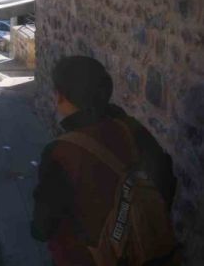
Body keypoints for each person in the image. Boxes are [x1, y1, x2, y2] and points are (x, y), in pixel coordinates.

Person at [32, 56, 178, 266]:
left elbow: (42, 227)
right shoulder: (132, 129)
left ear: (61, 97)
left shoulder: (61, 152)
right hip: (147, 253)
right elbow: (165, 182)